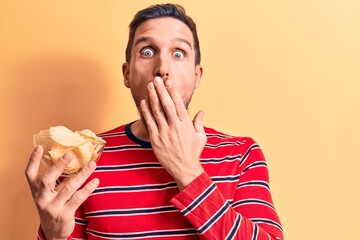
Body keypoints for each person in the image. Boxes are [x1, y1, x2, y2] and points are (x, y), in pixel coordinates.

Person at [26, 3, 283, 240]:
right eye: (147, 51)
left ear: (197, 75)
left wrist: (188, 172)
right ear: (127, 74)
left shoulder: (240, 155)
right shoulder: (85, 157)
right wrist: (53, 235)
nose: (163, 67)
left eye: (179, 53)